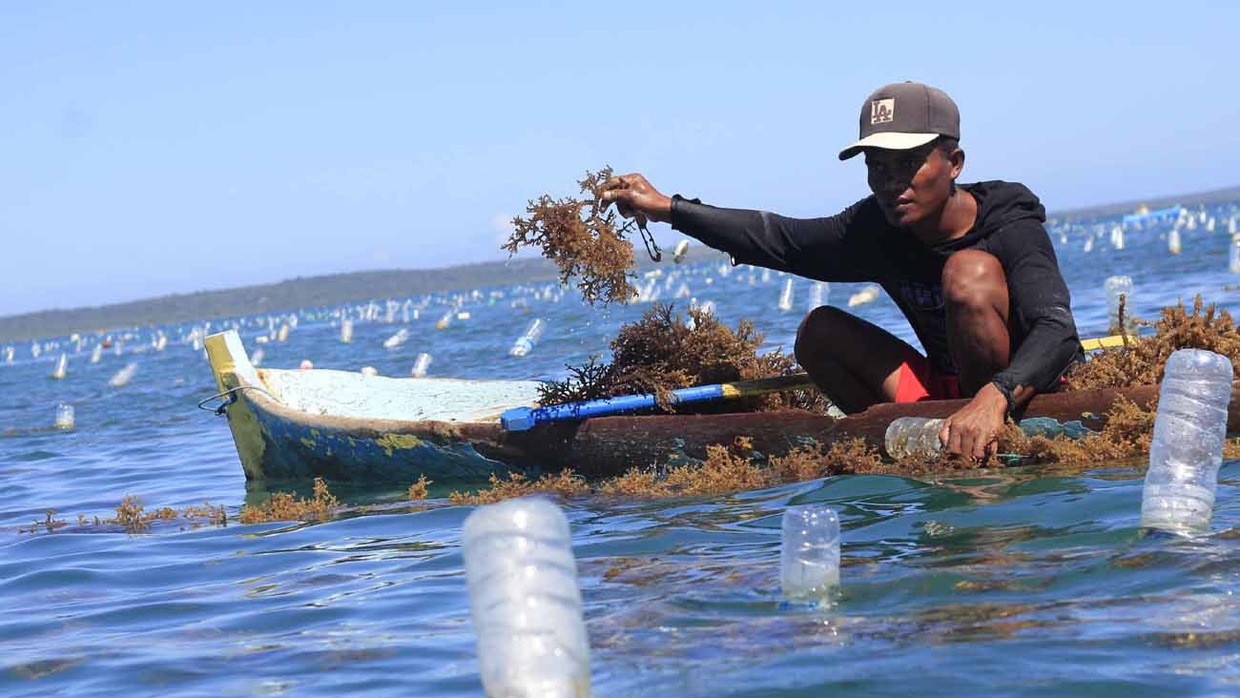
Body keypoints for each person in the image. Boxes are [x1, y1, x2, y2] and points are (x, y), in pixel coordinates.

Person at [599, 81, 1083, 462]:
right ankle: (902, 445)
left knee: (968, 272)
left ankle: (985, 435)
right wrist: (668, 208)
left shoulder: (1009, 222)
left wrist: (995, 398)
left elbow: (1058, 332)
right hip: (942, 396)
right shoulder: (875, 227)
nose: (891, 183)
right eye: (878, 167)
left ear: (954, 163)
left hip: (1022, 392)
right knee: (819, 331)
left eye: (908, 164)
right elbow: (778, 238)